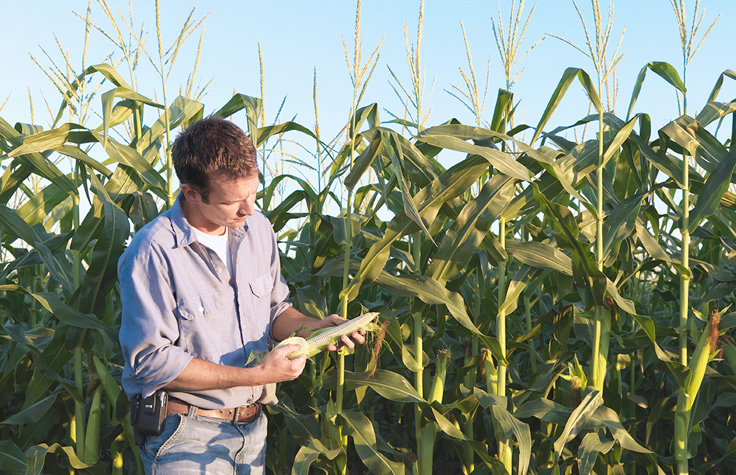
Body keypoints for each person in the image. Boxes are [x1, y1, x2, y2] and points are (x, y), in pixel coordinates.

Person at [118, 116, 364, 474]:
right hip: (184, 435)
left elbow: (275, 311)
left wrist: (316, 328)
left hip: (253, 433)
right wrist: (257, 375)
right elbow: (150, 362)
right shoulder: (152, 252)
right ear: (192, 193)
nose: (248, 209)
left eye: (253, 193)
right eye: (233, 201)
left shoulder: (258, 228)